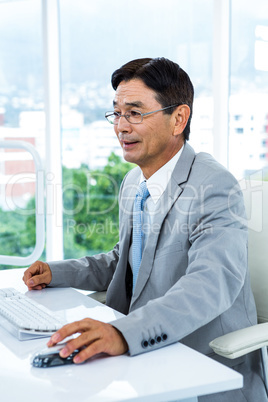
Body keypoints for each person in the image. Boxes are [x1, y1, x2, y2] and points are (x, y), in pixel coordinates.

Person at [23, 57, 267, 401]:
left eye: (135, 113)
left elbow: (209, 285)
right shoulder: (134, 181)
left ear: (178, 119)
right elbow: (127, 262)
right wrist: (57, 272)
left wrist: (123, 334)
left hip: (205, 371)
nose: (121, 126)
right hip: (148, 363)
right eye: (117, 113)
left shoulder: (214, 186)